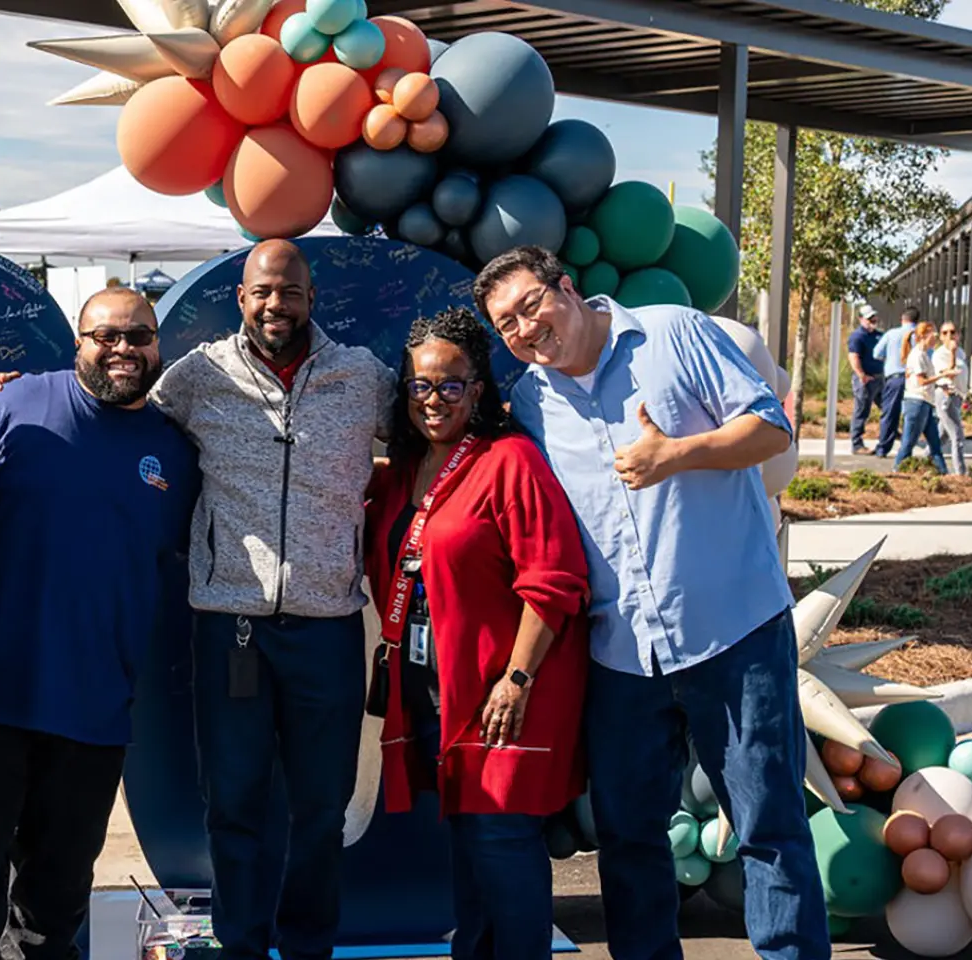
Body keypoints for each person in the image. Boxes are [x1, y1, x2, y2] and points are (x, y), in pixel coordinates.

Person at [0, 240, 394, 960]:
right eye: (262, 291)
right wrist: (5, 391)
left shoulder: (363, 378)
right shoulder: (196, 377)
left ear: (311, 297)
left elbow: (432, 426)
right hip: (230, 626)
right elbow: (110, 401)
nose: (274, 305)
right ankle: (242, 945)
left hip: (327, 625)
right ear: (241, 298)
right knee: (232, 807)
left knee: (321, 810)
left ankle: (308, 946)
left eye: (289, 292)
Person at [473, 246, 827, 960]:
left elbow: (772, 427)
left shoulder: (673, 333)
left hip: (734, 633)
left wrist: (677, 455)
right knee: (630, 840)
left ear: (565, 287)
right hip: (623, 653)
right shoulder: (532, 400)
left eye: (530, 305)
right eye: (507, 324)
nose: (525, 329)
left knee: (768, 828)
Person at [0, 286, 199, 960]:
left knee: (58, 895)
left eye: (138, 336)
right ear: (78, 344)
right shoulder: (17, 403)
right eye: (105, 336)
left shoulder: (175, 453)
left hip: (95, 706)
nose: (123, 349)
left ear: (158, 347)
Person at [361, 308, 592, 960]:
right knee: (470, 854)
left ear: (480, 389)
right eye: (420, 386)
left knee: (501, 847)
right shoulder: (404, 472)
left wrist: (516, 679)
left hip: (502, 695)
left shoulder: (510, 461)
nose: (433, 400)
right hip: (436, 692)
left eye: (450, 385)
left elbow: (554, 580)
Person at [893, 321, 949, 475]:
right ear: (923, 336)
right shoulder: (917, 355)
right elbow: (921, 381)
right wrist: (941, 376)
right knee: (908, 443)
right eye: (933, 336)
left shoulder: (924, 355)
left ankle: (943, 473)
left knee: (935, 444)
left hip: (925, 403)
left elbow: (927, 379)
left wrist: (940, 384)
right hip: (916, 403)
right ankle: (897, 471)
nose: (935, 339)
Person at [871, 306, 919, 458]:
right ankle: (906, 451)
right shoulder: (920, 335)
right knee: (911, 415)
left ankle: (883, 448)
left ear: (902, 319)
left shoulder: (891, 334)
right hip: (914, 379)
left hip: (895, 378)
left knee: (890, 414)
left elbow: (876, 353)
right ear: (917, 320)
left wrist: (891, 358)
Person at [932, 322, 968, 475]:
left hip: (957, 397)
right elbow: (950, 373)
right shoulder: (939, 354)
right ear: (940, 337)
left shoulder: (961, 352)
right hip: (945, 396)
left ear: (958, 335)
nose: (949, 336)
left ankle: (925, 461)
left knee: (942, 436)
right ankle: (961, 473)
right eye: (945, 333)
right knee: (957, 436)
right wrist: (952, 352)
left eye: (952, 332)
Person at [845, 309, 883, 454]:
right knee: (861, 411)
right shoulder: (858, 336)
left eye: (874, 319)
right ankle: (857, 443)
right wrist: (862, 375)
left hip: (880, 378)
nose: (872, 322)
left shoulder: (879, 335)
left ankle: (889, 434)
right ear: (861, 319)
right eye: (869, 319)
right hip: (865, 379)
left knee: (887, 407)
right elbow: (853, 356)